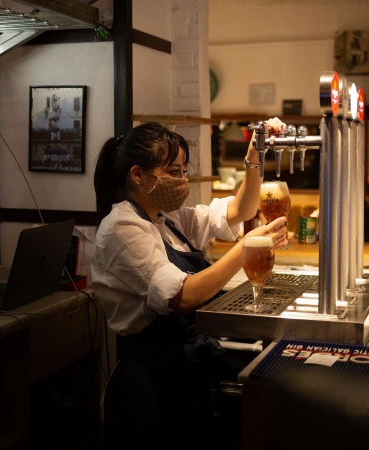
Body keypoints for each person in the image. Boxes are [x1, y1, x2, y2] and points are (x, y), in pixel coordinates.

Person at [92, 120, 288, 449]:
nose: (182, 180)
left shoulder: (168, 218)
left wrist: (255, 153)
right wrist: (245, 249)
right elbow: (183, 296)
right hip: (149, 379)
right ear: (137, 174)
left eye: (183, 170)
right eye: (173, 171)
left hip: (186, 369)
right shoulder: (121, 228)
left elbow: (242, 209)